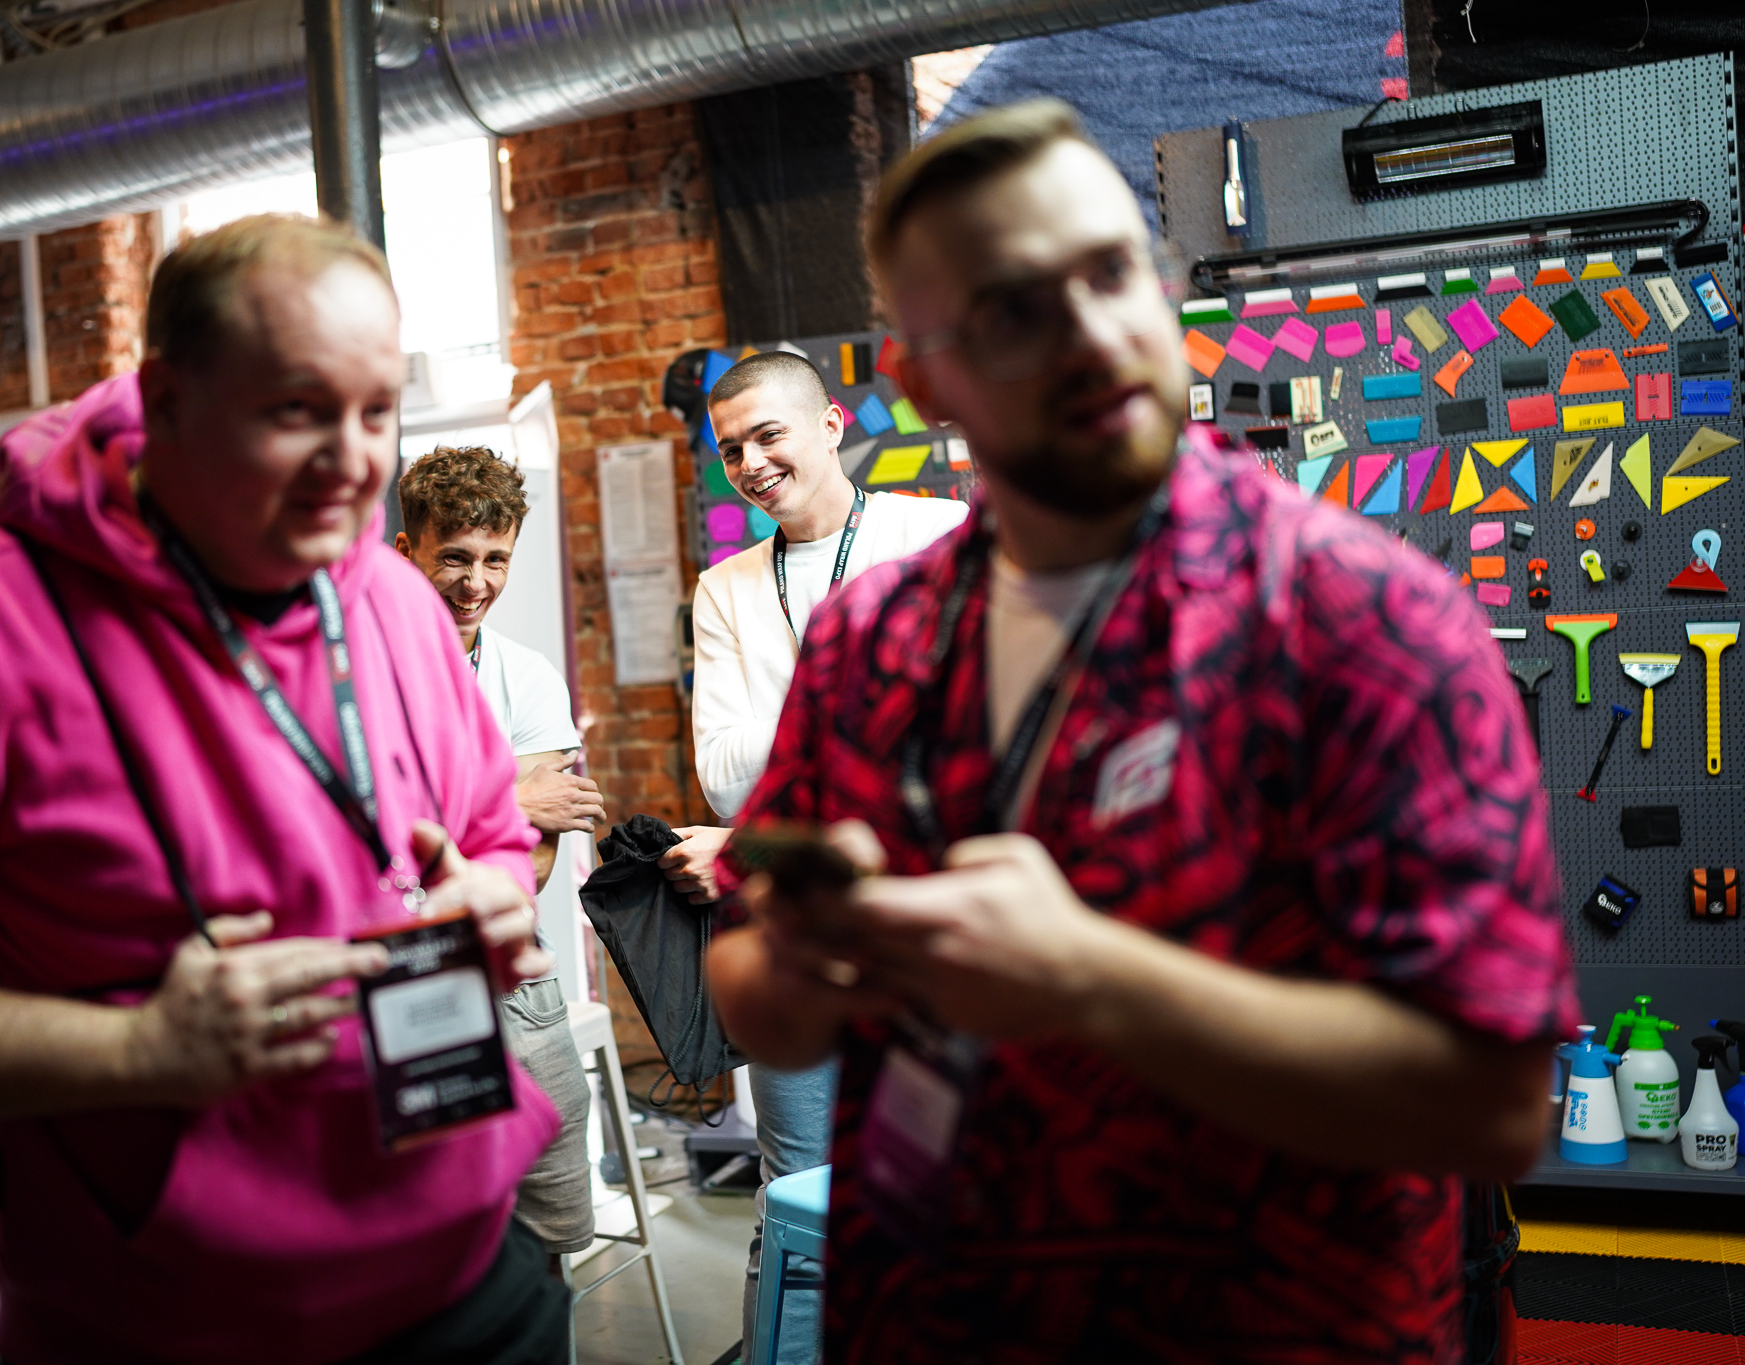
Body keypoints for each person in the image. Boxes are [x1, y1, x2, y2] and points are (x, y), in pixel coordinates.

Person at [706, 100, 1574, 1364]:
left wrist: (1092, 982)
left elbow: (1486, 1106)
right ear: (920, 379)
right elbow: (750, 982)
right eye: (1012, 310)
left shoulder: (1362, 621)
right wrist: (798, 964)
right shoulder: (871, 642)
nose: (1092, 335)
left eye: (1110, 272)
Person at [0, 215, 566, 1365]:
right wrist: (133, 1051)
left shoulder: (393, 598)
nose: (352, 464)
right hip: (164, 1318)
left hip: (468, 1270)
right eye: (296, 411)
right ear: (167, 400)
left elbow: (489, 831)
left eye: (376, 412)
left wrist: (493, 892)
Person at [665, 349, 966, 1356]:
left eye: (768, 435)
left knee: (945, 1176)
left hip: (926, 925)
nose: (750, 463)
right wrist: (865, 698)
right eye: (731, 450)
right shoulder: (726, 587)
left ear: (831, 424)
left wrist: (790, 758)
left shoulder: (933, 534)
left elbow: (958, 741)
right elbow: (722, 775)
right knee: (795, 1190)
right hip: (792, 930)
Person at [395, 444, 603, 1263]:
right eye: (454, 556)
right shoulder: (361, 672)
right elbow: (363, 846)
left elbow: (535, 866)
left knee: (550, 1222)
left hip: (511, 966)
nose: (475, 582)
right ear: (405, 549)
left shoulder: (528, 675)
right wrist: (512, 801)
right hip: (403, 971)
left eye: (495, 559)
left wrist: (431, 821)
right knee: (430, 1228)